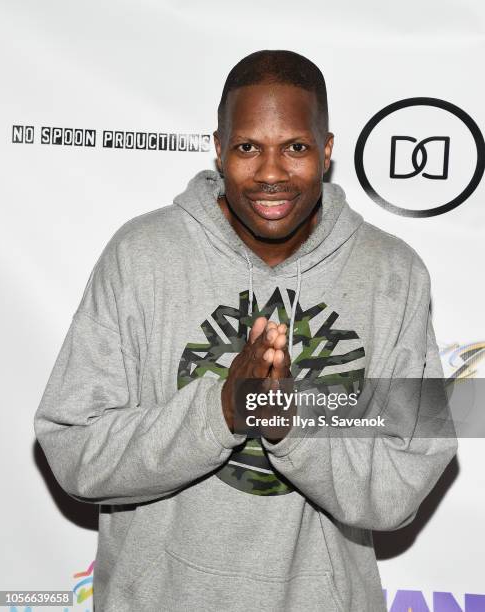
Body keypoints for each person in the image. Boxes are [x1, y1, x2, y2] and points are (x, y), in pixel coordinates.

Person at [34, 50, 457, 611]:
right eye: (248, 147)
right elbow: (73, 447)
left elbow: (408, 473)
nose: (271, 173)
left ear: (328, 151)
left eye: (297, 148)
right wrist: (222, 414)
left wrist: (293, 428)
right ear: (218, 146)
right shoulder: (140, 256)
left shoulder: (394, 274)